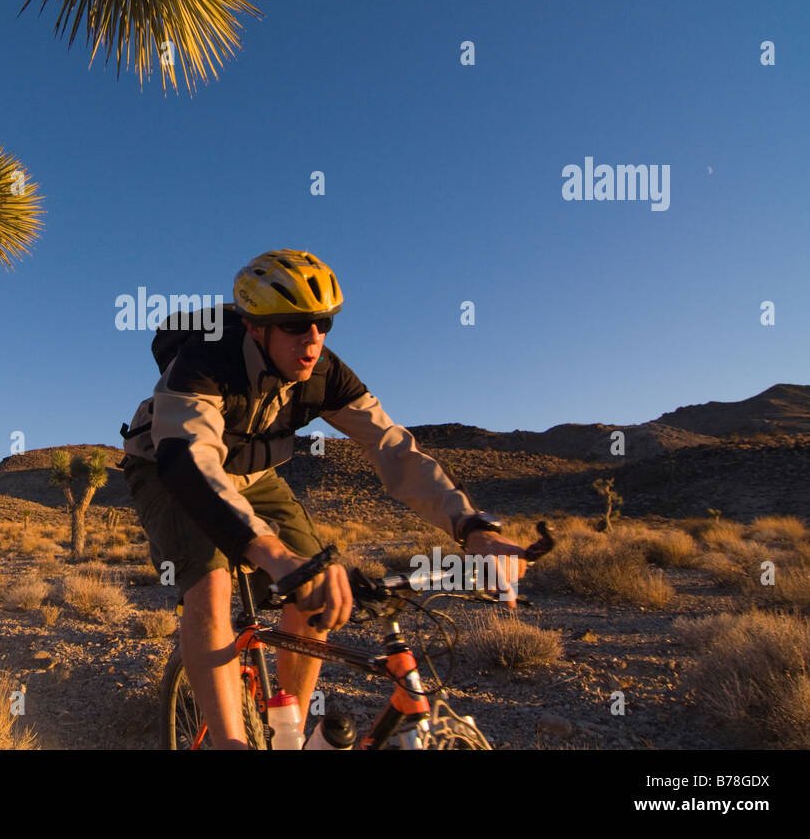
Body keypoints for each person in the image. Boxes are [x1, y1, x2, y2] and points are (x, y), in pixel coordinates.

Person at [119, 249, 528, 749]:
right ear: (255, 327)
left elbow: (391, 448)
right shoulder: (206, 358)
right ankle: (231, 742)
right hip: (170, 468)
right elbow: (190, 460)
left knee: (316, 589)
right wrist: (270, 551)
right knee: (210, 587)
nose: (312, 340)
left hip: (254, 473)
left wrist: (471, 527)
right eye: (294, 325)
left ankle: (284, 733)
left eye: (324, 324)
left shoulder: (326, 372)